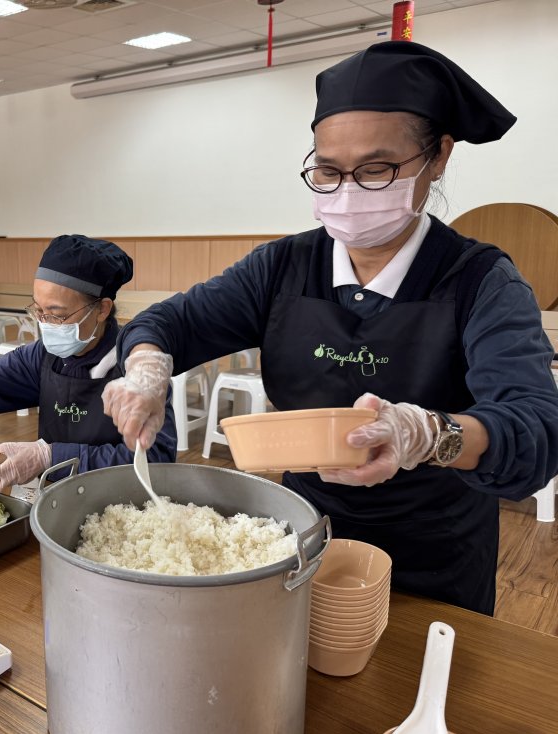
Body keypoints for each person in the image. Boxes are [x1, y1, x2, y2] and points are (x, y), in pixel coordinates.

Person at [102, 41, 558, 616]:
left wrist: (426, 435)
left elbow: (536, 430)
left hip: (434, 552)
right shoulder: (282, 268)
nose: (347, 190)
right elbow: (167, 322)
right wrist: (147, 369)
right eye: (327, 170)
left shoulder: (481, 281)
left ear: (437, 157)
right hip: (300, 534)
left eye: (376, 170)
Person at [0, 235, 178, 492]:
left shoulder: (139, 370)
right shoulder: (44, 357)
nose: (45, 324)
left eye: (57, 315)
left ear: (102, 309)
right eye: (39, 311)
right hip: (55, 497)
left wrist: (50, 456)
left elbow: (156, 460)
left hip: (120, 503)